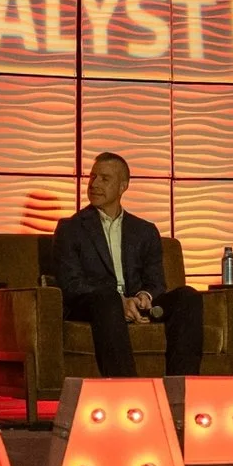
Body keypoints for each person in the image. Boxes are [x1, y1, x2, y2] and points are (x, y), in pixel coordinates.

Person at [53, 153, 206, 378]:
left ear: (123, 186)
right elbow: (71, 284)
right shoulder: (70, 228)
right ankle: (128, 390)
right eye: (92, 177)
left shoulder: (144, 231)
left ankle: (180, 389)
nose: (94, 184)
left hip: (138, 305)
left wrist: (144, 296)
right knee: (108, 299)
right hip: (95, 306)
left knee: (188, 297)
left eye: (104, 179)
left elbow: (156, 281)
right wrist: (119, 302)